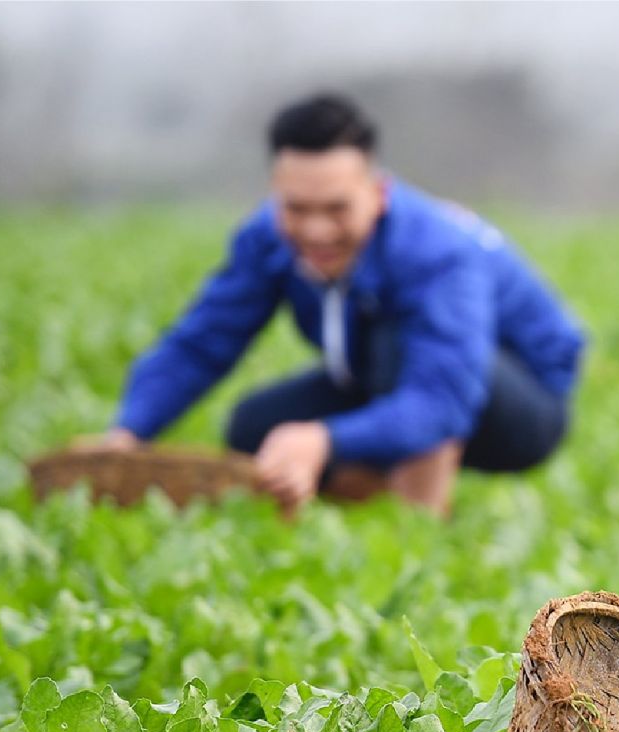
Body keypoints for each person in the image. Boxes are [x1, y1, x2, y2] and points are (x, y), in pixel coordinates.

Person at [93, 92, 586, 515]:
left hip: (523, 404)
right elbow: (203, 342)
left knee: (397, 344)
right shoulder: (267, 238)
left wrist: (326, 440)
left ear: (376, 191)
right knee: (254, 429)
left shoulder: (435, 251)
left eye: (336, 208)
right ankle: (372, 496)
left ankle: (420, 525)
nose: (315, 230)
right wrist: (127, 432)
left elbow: (442, 400)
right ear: (275, 194)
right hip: (382, 375)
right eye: (296, 208)